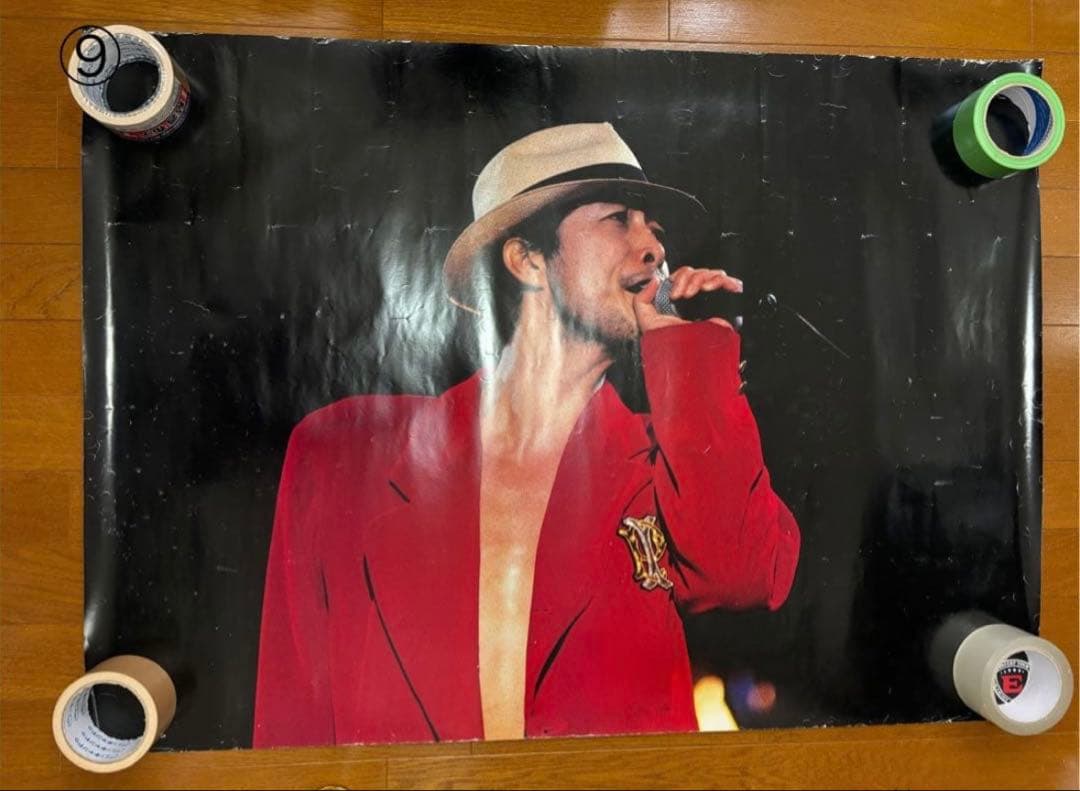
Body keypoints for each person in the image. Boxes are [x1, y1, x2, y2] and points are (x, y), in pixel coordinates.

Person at [253, 122, 800, 747]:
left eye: (655, 230)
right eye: (619, 219)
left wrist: (690, 353)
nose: (653, 247)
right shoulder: (346, 449)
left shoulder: (665, 456)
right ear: (528, 260)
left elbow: (741, 574)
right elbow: (292, 716)